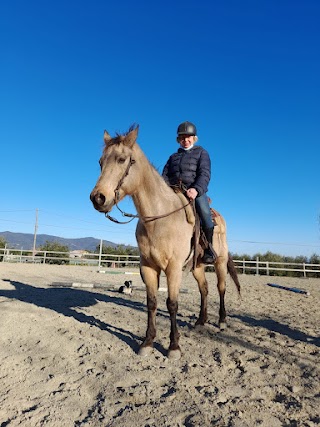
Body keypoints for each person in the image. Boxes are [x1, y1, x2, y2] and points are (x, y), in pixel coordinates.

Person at [162, 121, 216, 263]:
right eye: (182, 138)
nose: (185, 140)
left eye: (188, 137)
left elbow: (205, 174)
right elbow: (164, 176)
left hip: (194, 191)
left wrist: (196, 189)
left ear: (194, 138)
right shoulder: (172, 157)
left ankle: (209, 249)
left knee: (205, 214)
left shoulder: (202, 153)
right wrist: (165, 190)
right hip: (174, 192)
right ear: (178, 140)